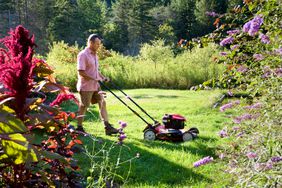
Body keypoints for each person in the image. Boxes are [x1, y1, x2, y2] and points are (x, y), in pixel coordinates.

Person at [76, 34, 118, 135]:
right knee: (84, 106)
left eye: (99, 44)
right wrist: (93, 78)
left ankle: (107, 127)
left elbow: (95, 71)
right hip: (86, 86)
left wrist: (103, 77)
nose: (99, 46)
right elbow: (81, 71)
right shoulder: (83, 55)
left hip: (95, 85)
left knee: (102, 102)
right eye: (97, 44)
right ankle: (79, 128)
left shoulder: (95, 55)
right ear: (91, 43)